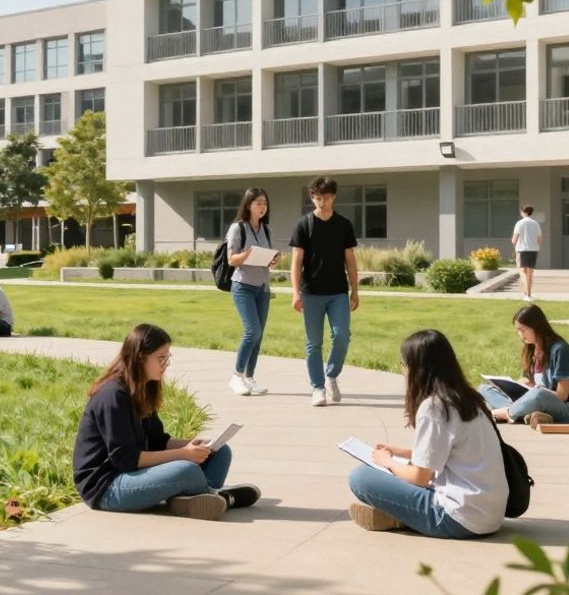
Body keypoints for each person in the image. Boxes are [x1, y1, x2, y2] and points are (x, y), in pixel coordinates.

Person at [72, 323, 260, 520]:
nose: (166, 364)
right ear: (139, 357)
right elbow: (125, 458)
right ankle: (217, 495)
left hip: (135, 473)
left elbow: (158, 440)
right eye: (161, 358)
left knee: (220, 452)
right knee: (187, 469)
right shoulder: (112, 396)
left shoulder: (143, 389)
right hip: (108, 487)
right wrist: (183, 455)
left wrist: (192, 445)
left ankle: (192, 499)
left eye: (168, 357)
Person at [346, 329, 507, 538]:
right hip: (490, 515)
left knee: (361, 477)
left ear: (418, 369)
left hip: (458, 517)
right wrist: (404, 453)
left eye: (404, 365)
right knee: (402, 470)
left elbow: (420, 477)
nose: (403, 371)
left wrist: (388, 462)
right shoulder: (468, 398)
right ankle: (401, 516)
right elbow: (452, 453)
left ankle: (403, 517)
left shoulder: (435, 407)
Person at [289, 176, 359, 407]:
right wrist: (296, 293)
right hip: (311, 293)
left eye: (326, 198)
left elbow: (350, 260)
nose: (322, 202)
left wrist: (355, 291)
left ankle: (331, 375)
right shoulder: (304, 224)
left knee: (342, 336)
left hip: (338, 291)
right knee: (314, 342)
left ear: (334, 197)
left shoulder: (343, 225)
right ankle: (317, 387)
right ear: (312, 198)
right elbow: (296, 262)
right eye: (317, 198)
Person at [478, 304, 569, 429]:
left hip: (568, 407)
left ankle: (507, 413)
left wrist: (534, 391)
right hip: (537, 401)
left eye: (523, 330)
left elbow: (562, 395)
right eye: (518, 331)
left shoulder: (559, 349)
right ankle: (526, 413)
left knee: (538, 395)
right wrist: (512, 385)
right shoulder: (531, 349)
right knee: (484, 389)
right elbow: (530, 381)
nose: (520, 335)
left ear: (536, 327)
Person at [226, 187, 276, 397]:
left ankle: (250, 377)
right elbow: (231, 259)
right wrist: (247, 254)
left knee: (259, 335)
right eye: (258, 203)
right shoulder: (238, 228)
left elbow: (267, 262)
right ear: (248, 205)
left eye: (264, 203)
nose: (262, 207)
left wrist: (272, 260)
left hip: (263, 288)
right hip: (243, 287)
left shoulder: (267, 230)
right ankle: (236, 376)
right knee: (252, 331)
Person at [512, 206, 543, 302]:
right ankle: (529, 294)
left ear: (523, 212)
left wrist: (516, 250)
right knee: (530, 273)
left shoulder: (520, 223)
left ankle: (527, 294)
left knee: (523, 272)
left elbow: (514, 240)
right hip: (534, 250)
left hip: (522, 250)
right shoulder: (536, 223)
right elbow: (540, 239)